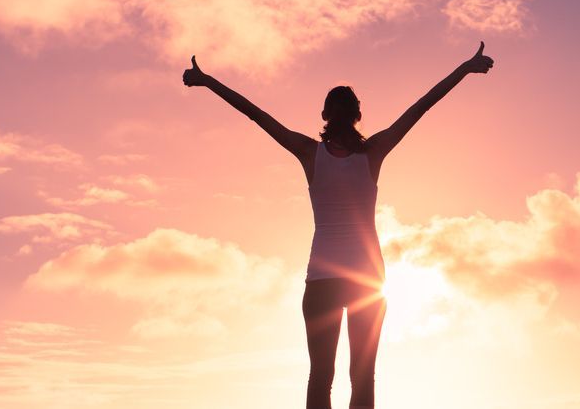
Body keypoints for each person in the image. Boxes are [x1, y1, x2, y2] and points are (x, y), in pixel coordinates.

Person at [182, 42, 495, 409]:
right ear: (357, 115)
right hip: (367, 280)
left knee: (320, 377)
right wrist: (465, 67)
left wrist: (208, 80)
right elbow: (422, 106)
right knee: (362, 378)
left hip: (322, 281)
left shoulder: (309, 153)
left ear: (326, 115)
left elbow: (256, 114)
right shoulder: (374, 152)